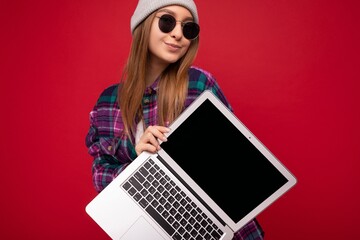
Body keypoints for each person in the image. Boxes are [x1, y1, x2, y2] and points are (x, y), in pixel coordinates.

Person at [85, 0, 265, 239]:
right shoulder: (108, 103)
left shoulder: (200, 85)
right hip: (150, 224)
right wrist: (139, 165)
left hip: (209, 219)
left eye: (188, 28)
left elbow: (236, 162)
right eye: (167, 22)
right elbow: (100, 176)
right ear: (143, 25)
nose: (178, 34)